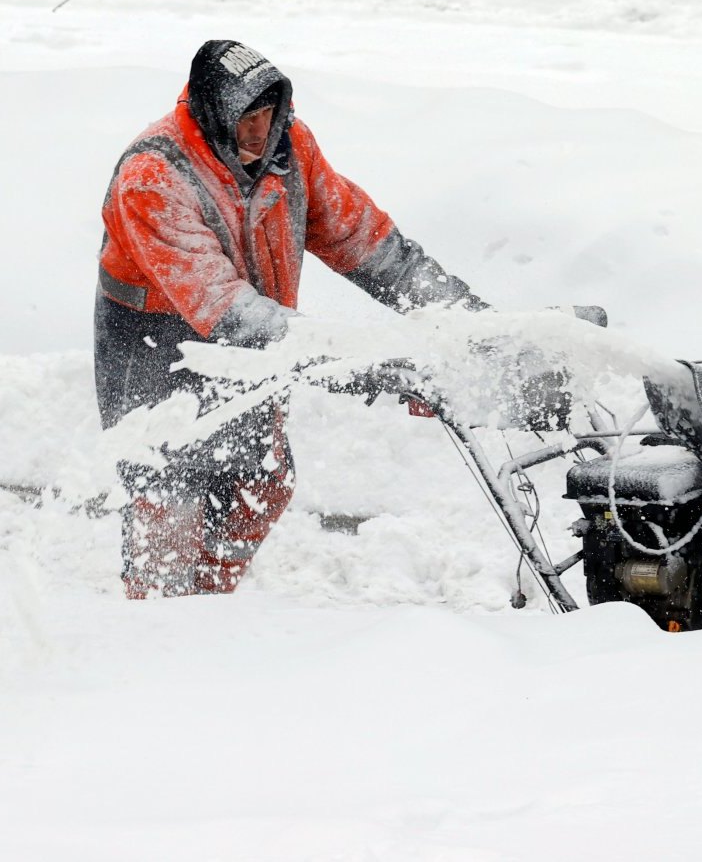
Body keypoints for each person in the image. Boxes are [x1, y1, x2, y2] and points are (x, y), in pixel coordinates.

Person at [95, 40, 487, 599]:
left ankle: (209, 600)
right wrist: (363, 362)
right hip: (155, 341)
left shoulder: (290, 147)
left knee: (262, 482)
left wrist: (462, 318)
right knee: (169, 497)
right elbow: (226, 309)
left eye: (267, 115)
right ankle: (158, 620)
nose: (259, 133)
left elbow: (363, 241)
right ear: (211, 113)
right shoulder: (155, 176)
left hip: (264, 331)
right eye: (244, 119)